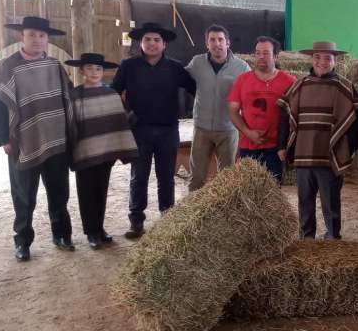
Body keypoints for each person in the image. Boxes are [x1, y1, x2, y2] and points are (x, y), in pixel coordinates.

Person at [0, 16, 75, 261]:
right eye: (32, 34)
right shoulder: (5, 67)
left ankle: (61, 235)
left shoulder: (55, 66)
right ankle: (22, 241)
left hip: (55, 140)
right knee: (23, 195)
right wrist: (3, 138)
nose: (37, 40)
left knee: (59, 191)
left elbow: (69, 98)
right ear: (21, 36)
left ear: (47, 39)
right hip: (22, 142)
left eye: (42, 36)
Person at [111, 22, 196, 239]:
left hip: (168, 130)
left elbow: (196, 88)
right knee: (138, 177)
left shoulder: (176, 68)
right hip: (139, 130)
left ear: (164, 44)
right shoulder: (128, 66)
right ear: (141, 42)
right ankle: (136, 221)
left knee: (166, 177)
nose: (152, 43)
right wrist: (124, 118)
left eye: (156, 40)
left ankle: (167, 219)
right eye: (147, 39)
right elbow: (112, 94)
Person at [277, 41, 358, 240]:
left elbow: (356, 122)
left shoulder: (344, 86)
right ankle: (307, 239)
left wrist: (349, 150)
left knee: (330, 202)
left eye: (327, 58)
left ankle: (333, 237)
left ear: (335, 60)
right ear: (312, 59)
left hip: (330, 155)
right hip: (303, 155)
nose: (322, 62)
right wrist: (282, 145)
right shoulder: (300, 84)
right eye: (318, 57)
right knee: (304, 201)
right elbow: (284, 115)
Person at [66, 53, 138, 249]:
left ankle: (100, 228)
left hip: (106, 152)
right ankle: (91, 232)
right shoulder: (74, 95)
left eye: (98, 69)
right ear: (81, 71)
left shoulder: (110, 94)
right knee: (86, 191)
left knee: (101, 190)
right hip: (85, 152)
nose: (94, 72)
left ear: (103, 71)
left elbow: (118, 120)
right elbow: (70, 125)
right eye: (89, 68)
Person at [185, 24, 249, 191]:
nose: (216, 43)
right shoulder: (197, 63)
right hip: (202, 129)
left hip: (228, 130)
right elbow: (181, 80)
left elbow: (250, 94)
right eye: (212, 40)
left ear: (228, 43)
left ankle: (224, 215)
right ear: (207, 44)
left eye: (220, 39)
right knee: (197, 178)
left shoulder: (242, 67)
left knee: (227, 178)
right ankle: (193, 213)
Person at [228, 36, 296, 182]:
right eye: (258, 53)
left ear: (276, 56)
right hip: (248, 145)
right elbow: (233, 111)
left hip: (276, 148)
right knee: (247, 190)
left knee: (272, 193)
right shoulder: (242, 80)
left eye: (266, 53)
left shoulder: (290, 81)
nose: (261, 57)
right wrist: (248, 133)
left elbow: (296, 115)